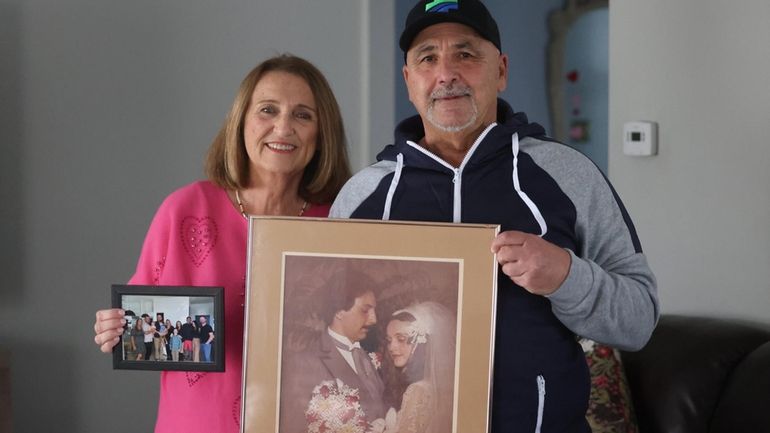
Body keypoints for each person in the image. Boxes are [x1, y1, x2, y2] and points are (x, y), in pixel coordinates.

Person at [329, 1, 659, 431]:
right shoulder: (361, 196)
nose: (446, 73)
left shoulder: (567, 173)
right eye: (428, 58)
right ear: (410, 80)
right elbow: (329, 326)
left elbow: (638, 322)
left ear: (500, 70)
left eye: (465, 54)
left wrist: (566, 276)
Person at [92, 54, 352, 433]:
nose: (283, 127)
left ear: (322, 132)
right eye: (267, 110)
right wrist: (114, 327)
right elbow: (139, 324)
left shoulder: (341, 222)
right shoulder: (184, 209)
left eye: (303, 115)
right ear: (241, 121)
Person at [280, 270, 386, 433]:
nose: (374, 319)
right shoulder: (303, 363)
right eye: (365, 310)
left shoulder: (368, 354)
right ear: (338, 311)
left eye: (374, 310)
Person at [381, 302, 455, 433]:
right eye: (389, 340)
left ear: (421, 344)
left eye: (401, 339)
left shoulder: (418, 390)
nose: (392, 347)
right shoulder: (436, 387)